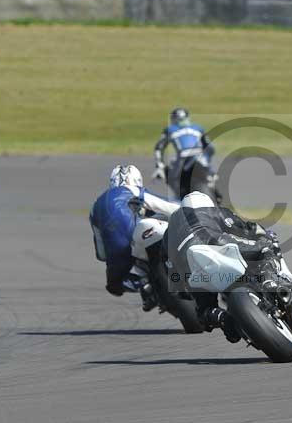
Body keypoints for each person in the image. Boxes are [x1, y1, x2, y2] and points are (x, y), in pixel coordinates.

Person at [163, 191, 276, 343]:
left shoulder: (169, 232)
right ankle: (270, 282)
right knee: (265, 248)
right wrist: (264, 236)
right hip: (215, 245)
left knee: (203, 311)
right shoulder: (213, 212)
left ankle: (222, 318)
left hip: (191, 270)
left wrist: (183, 287)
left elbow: (169, 266)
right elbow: (243, 229)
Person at [89, 165, 179, 311]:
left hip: (117, 254)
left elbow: (101, 254)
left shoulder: (95, 208)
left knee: (114, 286)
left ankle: (144, 284)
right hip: (140, 235)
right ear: (137, 180)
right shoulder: (133, 190)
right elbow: (167, 206)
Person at [152, 108, 216, 196]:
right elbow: (211, 148)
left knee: (171, 176)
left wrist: (159, 166)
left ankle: (180, 198)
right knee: (210, 175)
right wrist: (207, 163)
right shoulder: (198, 128)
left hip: (182, 160)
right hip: (200, 159)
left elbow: (159, 148)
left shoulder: (170, 129)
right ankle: (213, 186)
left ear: (173, 119)